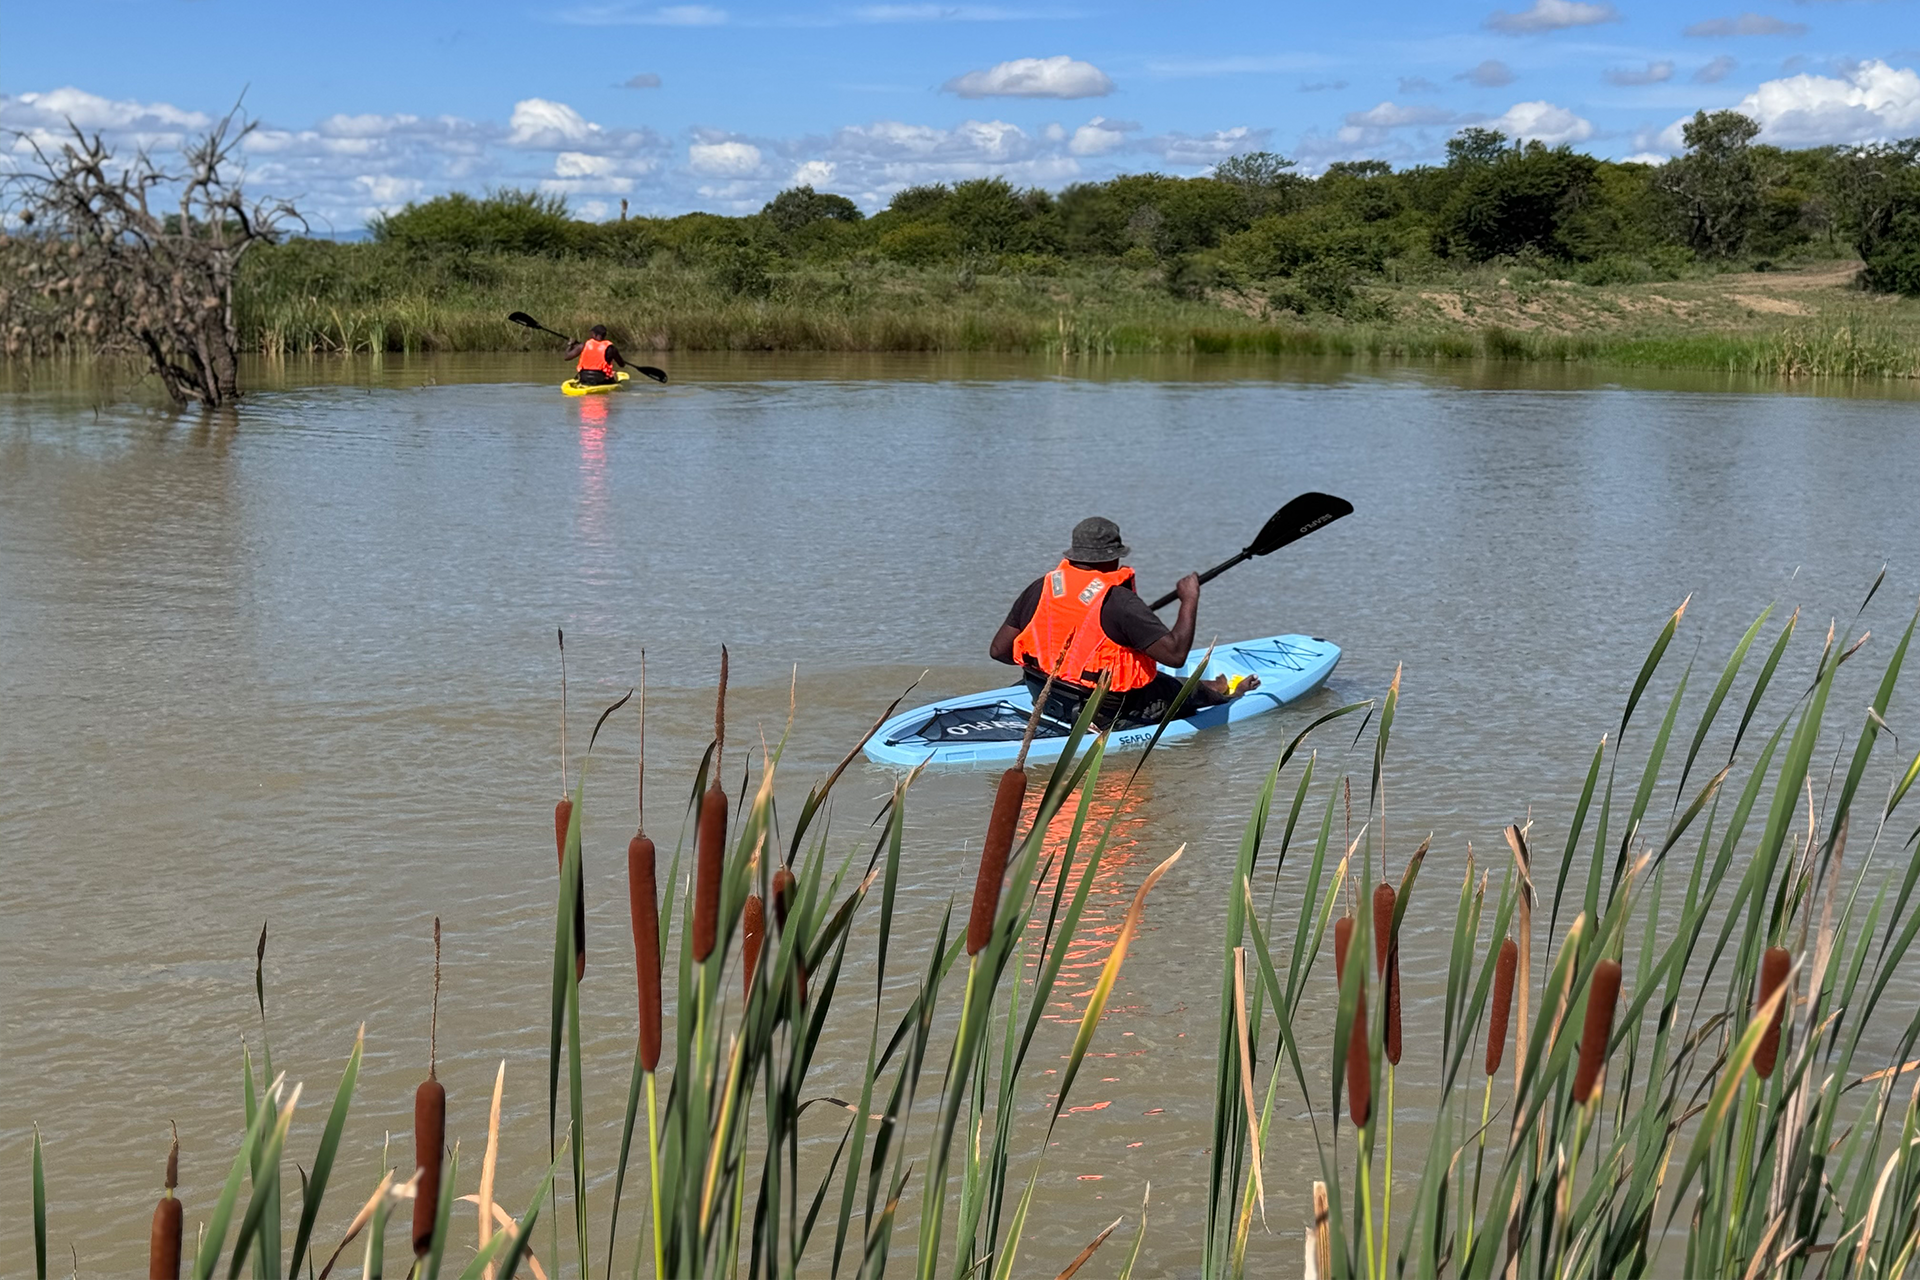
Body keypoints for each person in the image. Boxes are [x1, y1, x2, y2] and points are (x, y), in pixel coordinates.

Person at [989, 516, 1258, 729]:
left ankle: (1219, 685)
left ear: (1073, 555)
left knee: (1161, 680)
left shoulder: (1042, 587)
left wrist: (1058, 670)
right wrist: (1189, 599)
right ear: (1114, 557)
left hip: (1046, 697)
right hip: (1108, 712)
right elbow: (1175, 655)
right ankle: (1233, 696)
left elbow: (999, 651)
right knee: (1181, 690)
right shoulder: (1121, 602)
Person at [565, 325, 629, 386]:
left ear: (594, 334)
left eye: (591, 333)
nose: (590, 335)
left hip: (584, 378)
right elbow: (622, 365)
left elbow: (567, 357)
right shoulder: (611, 348)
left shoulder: (583, 345)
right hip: (601, 379)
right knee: (614, 374)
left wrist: (570, 344)